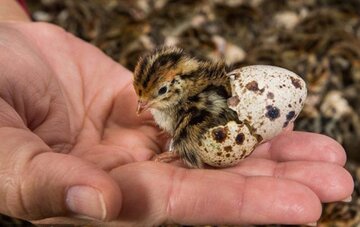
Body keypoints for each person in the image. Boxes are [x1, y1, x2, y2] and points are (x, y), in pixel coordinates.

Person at [0, 0, 354, 226]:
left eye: (159, 93)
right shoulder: (179, 101)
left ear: (181, 85)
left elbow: (198, 127)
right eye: (142, 96)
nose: (141, 105)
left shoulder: (195, 108)